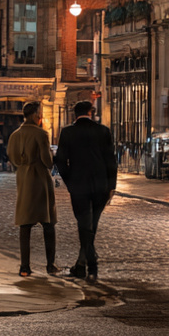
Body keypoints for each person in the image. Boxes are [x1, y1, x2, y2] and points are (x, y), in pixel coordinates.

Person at [54, 101, 117, 281]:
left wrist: (69, 181)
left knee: (83, 226)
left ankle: (89, 265)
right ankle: (85, 264)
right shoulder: (103, 131)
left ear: (75, 114)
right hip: (100, 185)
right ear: (91, 112)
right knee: (92, 226)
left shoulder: (68, 132)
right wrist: (112, 185)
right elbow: (111, 159)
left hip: (79, 185)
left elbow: (60, 160)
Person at [6, 101, 57, 277]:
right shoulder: (41, 133)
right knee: (48, 223)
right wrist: (51, 155)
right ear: (36, 115)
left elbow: (12, 158)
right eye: (40, 113)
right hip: (40, 180)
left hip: (24, 179)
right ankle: (50, 264)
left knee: (25, 225)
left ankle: (24, 266)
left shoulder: (14, 135)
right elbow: (47, 161)